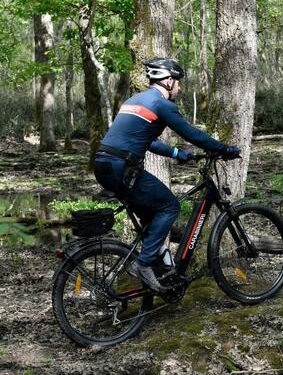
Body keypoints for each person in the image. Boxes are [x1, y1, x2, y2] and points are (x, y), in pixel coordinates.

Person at [93, 57, 240, 291]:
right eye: (178, 82)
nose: (179, 88)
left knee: (151, 216)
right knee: (169, 206)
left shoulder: (135, 100)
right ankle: (143, 263)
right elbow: (192, 134)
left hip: (103, 165)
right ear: (168, 80)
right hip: (123, 167)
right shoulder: (162, 105)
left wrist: (177, 153)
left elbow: (145, 140)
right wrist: (225, 149)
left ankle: (161, 268)